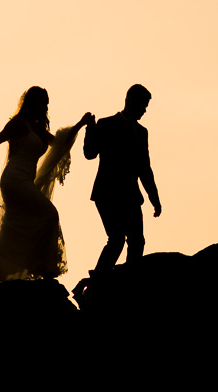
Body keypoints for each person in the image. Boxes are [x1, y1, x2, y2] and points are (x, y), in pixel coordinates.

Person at [0, 88, 93, 286]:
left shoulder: (40, 131)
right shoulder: (18, 124)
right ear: (32, 103)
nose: (45, 107)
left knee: (15, 222)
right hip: (14, 179)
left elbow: (60, 144)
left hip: (25, 180)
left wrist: (80, 125)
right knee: (49, 214)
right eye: (43, 102)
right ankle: (46, 268)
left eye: (47, 103)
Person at [83, 85, 160, 275]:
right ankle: (98, 280)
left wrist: (154, 198)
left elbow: (145, 168)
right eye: (142, 105)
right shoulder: (106, 124)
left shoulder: (142, 133)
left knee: (137, 241)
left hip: (131, 195)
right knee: (116, 239)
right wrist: (90, 129)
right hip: (107, 193)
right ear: (129, 101)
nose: (144, 110)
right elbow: (90, 153)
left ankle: (128, 281)